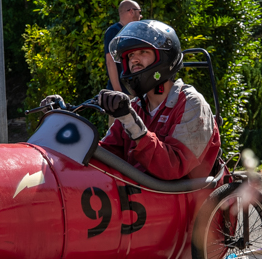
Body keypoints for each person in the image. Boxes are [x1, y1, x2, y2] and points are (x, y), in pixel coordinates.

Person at [44, 20, 221, 181]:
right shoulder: (136, 105)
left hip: (182, 206)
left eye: (143, 52)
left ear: (163, 57)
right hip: (139, 201)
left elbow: (173, 168)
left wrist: (133, 124)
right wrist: (65, 126)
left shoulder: (190, 104)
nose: (134, 59)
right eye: (130, 55)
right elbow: (108, 154)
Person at [103, 0, 143, 91]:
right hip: (122, 91)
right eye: (139, 12)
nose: (141, 16)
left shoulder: (134, 32)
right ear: (131, 11)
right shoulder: (113, 31)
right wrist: (118, 92)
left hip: (134, 90)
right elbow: (110, 62)